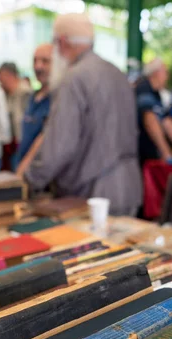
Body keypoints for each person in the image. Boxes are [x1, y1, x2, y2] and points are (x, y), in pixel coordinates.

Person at [22, 13, 142, 216]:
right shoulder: (116, 73)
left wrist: (28, 181)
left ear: (62, 42)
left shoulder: (75, 77)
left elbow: (59, 147)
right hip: (130, 187)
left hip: (93, 195)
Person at [135, 58, 172, 165]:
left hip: (152, 156)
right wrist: (166, 153)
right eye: (166, 72)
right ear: (156, 73)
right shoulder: (144, 90)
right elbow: (150, 121)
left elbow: (166, 122)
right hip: (143, 158)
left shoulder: (156, 94)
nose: (168, 76)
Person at [16, 43, 53, 176]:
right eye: (35, 61)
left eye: (45, 61)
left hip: (41, 175)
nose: (38, 66)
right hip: (26, 172)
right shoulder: (33, 97)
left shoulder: (59, 98)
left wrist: (20, 173)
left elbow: (43, 140)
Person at [0, 62, 32, 162]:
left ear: (9, 75)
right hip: (14, 146)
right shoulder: (8, 95)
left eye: (0, 75)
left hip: (24, 145)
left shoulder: (25, 93)